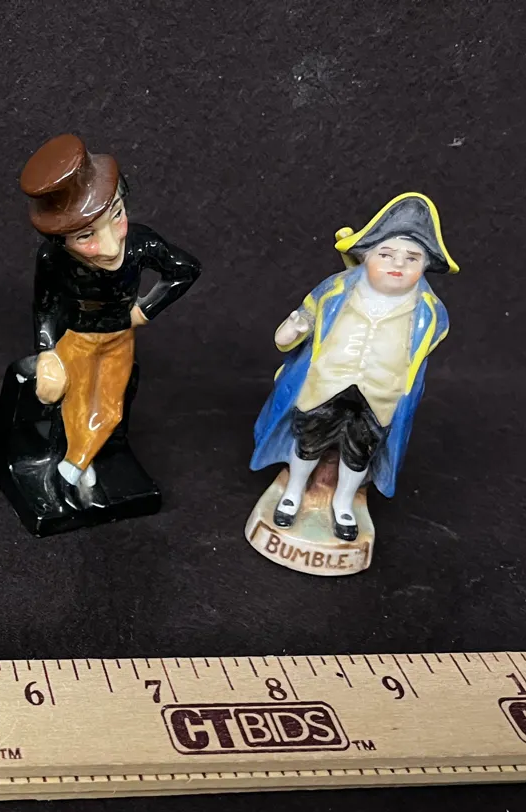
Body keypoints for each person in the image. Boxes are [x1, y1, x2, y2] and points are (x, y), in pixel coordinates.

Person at [251, 192, 457, 541]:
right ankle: (293, 491)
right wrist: (291, 332)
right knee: (310, 439)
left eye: (412, 258)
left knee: (360, 450)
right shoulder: (336, 289)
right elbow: (301, 321)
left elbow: (419, 356)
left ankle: (344, 502)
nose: (398, 264)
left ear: (424, 266)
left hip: (380, 394)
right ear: (365, 255)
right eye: (386, 254)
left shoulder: (430, 313)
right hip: (326, 383)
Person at [23, 134, 201, 506]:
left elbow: (185, 269)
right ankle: (75, 462)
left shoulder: (139, 243)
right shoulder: (53, 260)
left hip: (119, 338)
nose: (109, 247)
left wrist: (145, 310)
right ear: (61, 240)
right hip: (76, 338)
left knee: (110, 408)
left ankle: (74, 465)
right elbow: (46, 305)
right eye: (86, 235)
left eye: (117, 215)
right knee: (72, 402)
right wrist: (46, 351)